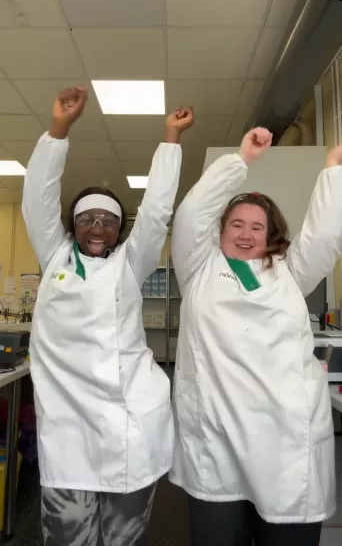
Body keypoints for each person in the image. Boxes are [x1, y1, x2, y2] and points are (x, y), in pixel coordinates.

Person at [22, 86, 194, 546]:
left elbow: (156, 214)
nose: (97, 227)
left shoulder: (129, 265)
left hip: (130, 427)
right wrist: (59, 129)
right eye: (87, 218)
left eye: (108, 220)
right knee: (67, 539)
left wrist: (170, 139)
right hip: (68, 429)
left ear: (120, 229)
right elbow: (36, 198)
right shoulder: (55, 257)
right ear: (72, 225)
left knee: (124, 541)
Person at [170, 126, 342, 546]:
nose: (246, 235)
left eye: (257, 228)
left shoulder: (289, 272)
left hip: (285, 443)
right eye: (236, 225)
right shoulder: (198, 268)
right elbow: (191, 214)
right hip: (218, 441)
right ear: (220, 230)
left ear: (271, 235)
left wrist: (334, 171)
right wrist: (240, 162)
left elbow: (323, 237)